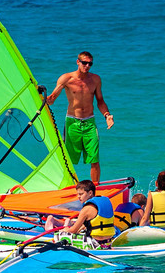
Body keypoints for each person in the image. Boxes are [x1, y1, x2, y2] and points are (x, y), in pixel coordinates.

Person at [44, 51, 113, 185]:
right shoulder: (66, 78)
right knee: (67, 159)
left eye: (90, 64)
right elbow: (52, 99)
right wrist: (42, 97)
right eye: (84, 63)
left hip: (90, 123)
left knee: (94, 159)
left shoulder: (95, 80)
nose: (87, 66)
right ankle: (66, 185)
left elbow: (100, 101)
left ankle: (95, 188)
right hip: (72, 123)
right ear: (78, 62)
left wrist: (107, 115)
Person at [59, 180, 116, 244]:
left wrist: (66, 229)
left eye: (81, 194)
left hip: (95, 243)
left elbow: (72, 231)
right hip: (108, 241)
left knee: (63, 234)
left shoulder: (86, 209)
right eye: (78, 194)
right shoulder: (105, 202)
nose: (78, 196)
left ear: (90, 193)